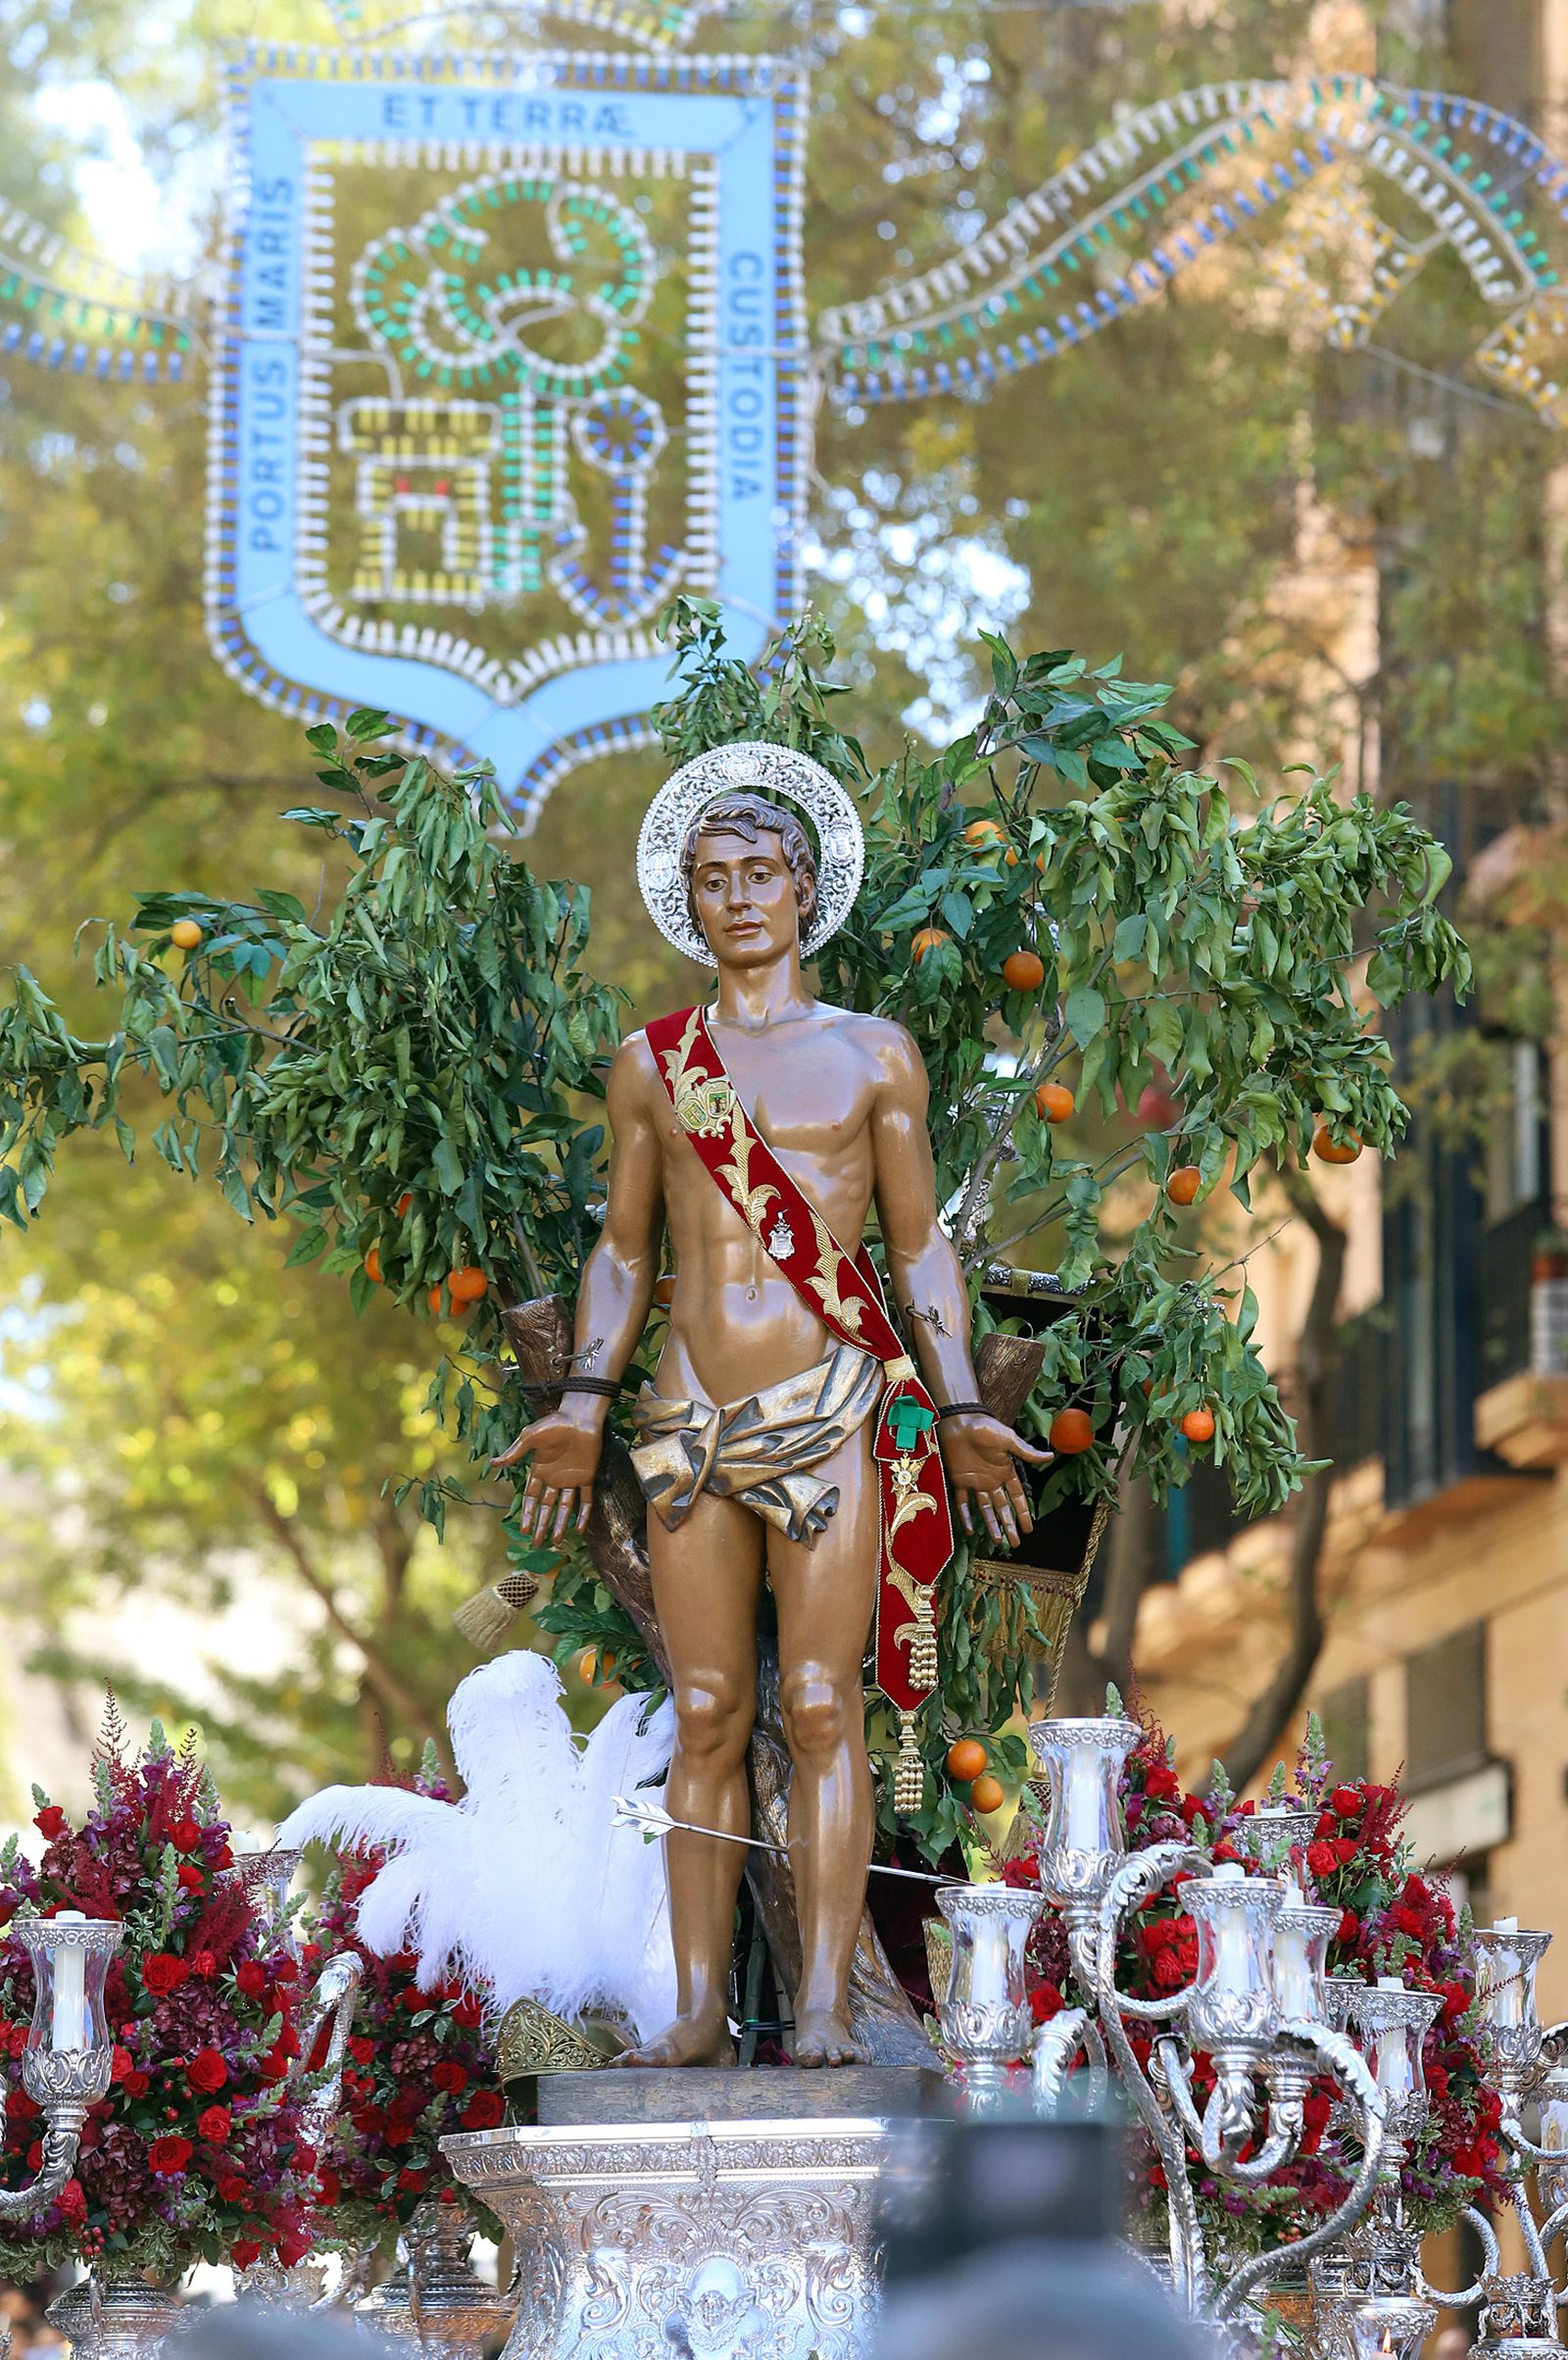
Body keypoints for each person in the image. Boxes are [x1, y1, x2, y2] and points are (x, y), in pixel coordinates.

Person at [496, 744, 1048, 2068]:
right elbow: (625, 1248)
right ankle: (691, 2012)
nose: (739, 895)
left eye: (761, 872)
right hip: (686, 1412)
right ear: (689, 901)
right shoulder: (654, 1064)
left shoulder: (874, 1057)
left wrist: (961, 1402)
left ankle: (816, 2006)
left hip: (830, 1408)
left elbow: (918, 1249)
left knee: (819, 1706)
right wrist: (584, 1393)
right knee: (703, 1712)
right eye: (713, 877)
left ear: (804, 891)